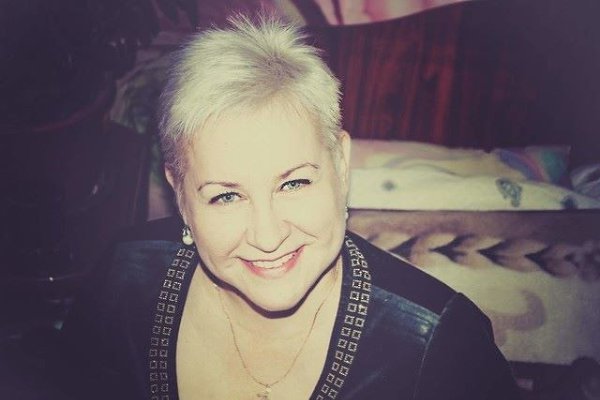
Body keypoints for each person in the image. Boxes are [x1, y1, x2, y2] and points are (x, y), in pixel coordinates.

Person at [59, 14, 522, 400]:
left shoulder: (440, 342)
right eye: (226, 196)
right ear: (179, 191)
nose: (267, 236)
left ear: (341, 164)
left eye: (293, 183)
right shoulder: (123, 282)